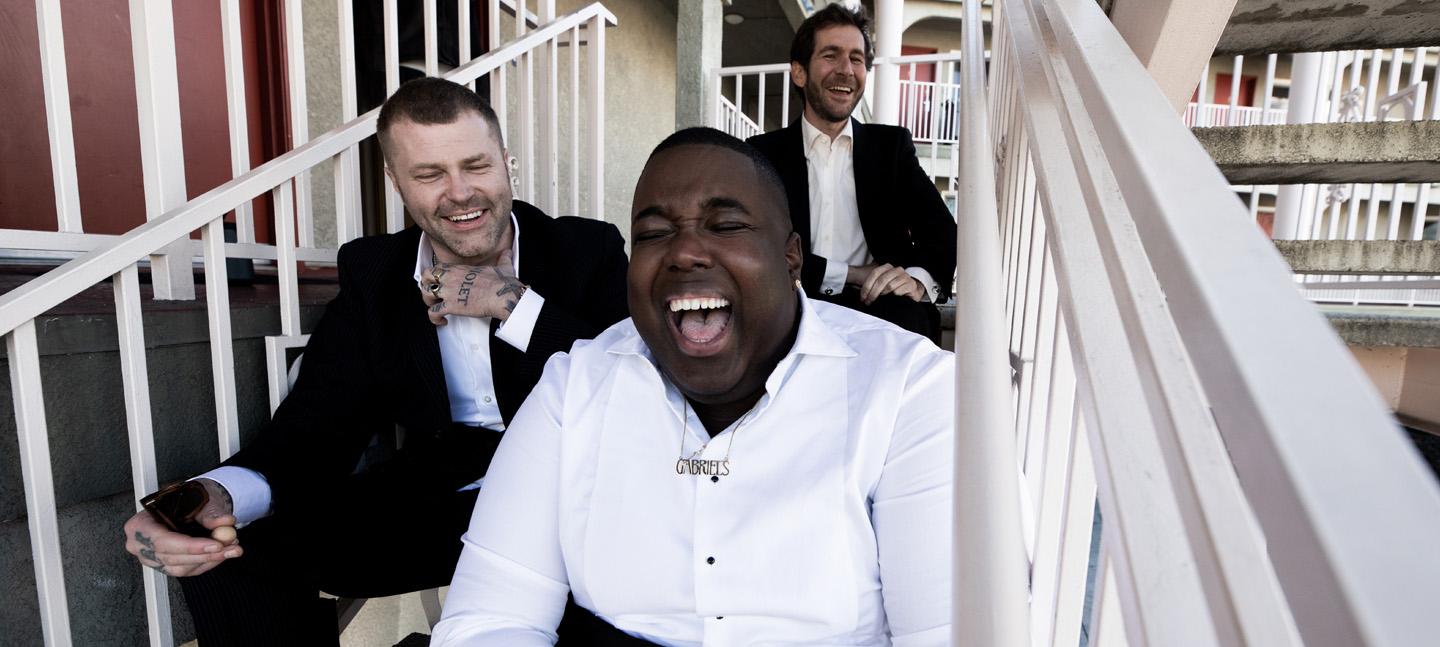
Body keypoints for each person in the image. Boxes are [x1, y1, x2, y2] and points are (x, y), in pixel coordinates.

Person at [120, 77, 629, 646]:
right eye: (430, 174)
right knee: (236, 550)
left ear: (506, 163)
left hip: (575, 500)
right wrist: (216, 496)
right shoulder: (376, 274)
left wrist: (508, 303)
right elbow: (318, 424)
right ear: (396, 182)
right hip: (444, 505)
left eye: (476, 166)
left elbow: (632, 385)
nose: (460, 193)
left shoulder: (587, 250)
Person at [431, 128, 954, 646]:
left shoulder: (906, 390)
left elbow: (947, 633)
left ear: (791, 256)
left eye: (726, 225)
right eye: (653, 235)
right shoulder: (574, 388)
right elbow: (490, 617)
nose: (684, 253)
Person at [747, 4, 957, 344]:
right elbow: (761, 247)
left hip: (877, 309)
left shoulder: (890, 148)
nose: (846, 70)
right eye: (831, 56)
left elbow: (942, 231)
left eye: (857, 59)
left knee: (908, 319)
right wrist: (854, 274)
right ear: (799, 72)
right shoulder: (762, 154)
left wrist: (917, 280)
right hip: (792, 304)